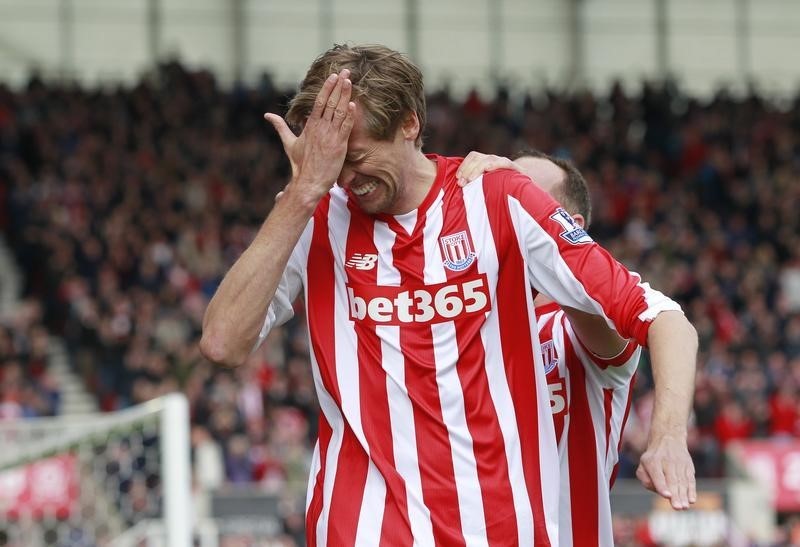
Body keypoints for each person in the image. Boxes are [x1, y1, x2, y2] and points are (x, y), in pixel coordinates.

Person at [201, 43, 697, 546]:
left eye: (357, 156)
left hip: (498, 529)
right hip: (362, 530)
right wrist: (303, 191)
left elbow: (662, 317)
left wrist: (669, 436)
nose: (346, 177)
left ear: (409, 125)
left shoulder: (495, 199)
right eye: (332, 162)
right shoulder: (317, 211)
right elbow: (222, 343)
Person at [456, 150, 697, 545]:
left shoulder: (574, 326)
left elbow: (672, 325)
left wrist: (668, 435)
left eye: (523, 191)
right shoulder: (460, 323)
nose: (508, 201)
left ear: (572, 225)